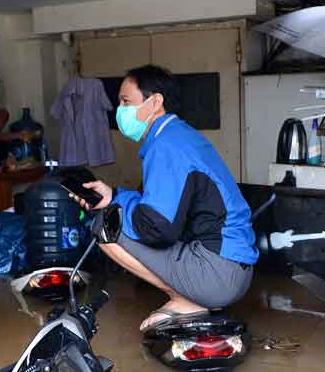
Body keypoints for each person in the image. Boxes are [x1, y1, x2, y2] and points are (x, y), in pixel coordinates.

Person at [70, 65, 257, 331]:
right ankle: (193, 297)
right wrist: (113, 196)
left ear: (155, 101)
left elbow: (157, 227)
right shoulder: (178, 135)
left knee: (104, 226)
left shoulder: (166, 145)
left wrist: (113, 206)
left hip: (217, 274)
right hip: (232, 270)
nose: (120, 111)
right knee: (114, 212)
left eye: (126, 102)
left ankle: (184, 300)